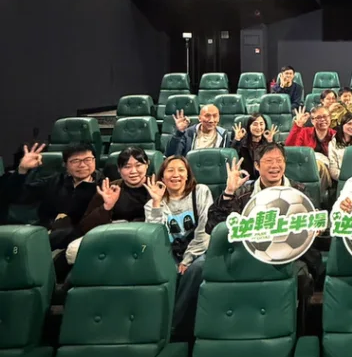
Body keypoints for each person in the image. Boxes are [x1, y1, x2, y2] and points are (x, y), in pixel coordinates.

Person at [205, 143, 318, 298]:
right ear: (257, 166)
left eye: (279, 160)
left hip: (289, 256)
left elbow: (314, 224)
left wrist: (315, 228)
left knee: (303, 277)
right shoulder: (243, 193)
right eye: (269, 161)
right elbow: (213, 227)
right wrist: (229, 192)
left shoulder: (299, 191)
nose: (275, 166)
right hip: (250, 255)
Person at [144, 156, 213, 339]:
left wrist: (188, 259)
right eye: (170, 170)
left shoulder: (200, 192)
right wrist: (157, 203)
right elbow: (155, 237)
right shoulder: (152, 204)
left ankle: (174, 328)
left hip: (199, 250)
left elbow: (205, 229)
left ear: (188, 174)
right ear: (162, 176)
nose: (176, 175)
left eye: (181, 170)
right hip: (170, 252)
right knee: (163, 270)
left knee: (197, 268)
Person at [0, 142, 101, 248]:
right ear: (65, 164)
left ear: (94, 161)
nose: (82, 165)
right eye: (75, 161)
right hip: (45, 235)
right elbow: (16, 196)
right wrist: (22, 170)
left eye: (87, 160)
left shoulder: (103, 187)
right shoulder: (55, 181)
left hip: (80, 241)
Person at [66, 146, 152, 265]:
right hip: (113, 234)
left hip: (145, 236)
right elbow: (85, 226)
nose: (133, 171)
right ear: (119, 169)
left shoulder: (158, 187)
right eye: (127, 167)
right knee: (73, 252)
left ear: (147, 165)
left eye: (138, 165)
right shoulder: (109, 189)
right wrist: (106, 207)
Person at [285, 105, 335, 192]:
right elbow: (290, 149)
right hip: (305, 168)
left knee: (318, 164)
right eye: (318, 117)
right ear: (312, 121)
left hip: (329, 171)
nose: (323, 119)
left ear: (330, 118)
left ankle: (318, 194)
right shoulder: (305, 132)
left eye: (325, 116)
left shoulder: (335, 135)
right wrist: (298, 126)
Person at [165, 105, 231, 157]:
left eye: (215, 116)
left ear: (219, 118)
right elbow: (172, 155)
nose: (211, 120)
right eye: (207, 116)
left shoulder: (223, 135)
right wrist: (179, 133)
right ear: (199, 118)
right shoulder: (188, 133)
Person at [328, 113, 352, 182]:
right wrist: (347, 179)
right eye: (349, 124)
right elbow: (333, 169)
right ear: (342, 125)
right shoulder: (333, 143)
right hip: (342, 179)